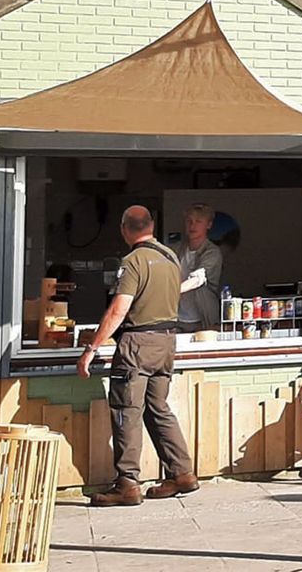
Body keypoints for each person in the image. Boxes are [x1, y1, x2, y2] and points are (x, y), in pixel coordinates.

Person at [78, 206, 199, 506]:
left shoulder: (133, 262)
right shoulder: (170, 258)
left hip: (138, 344)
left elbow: (119, 309)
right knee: (158, 407)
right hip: (167, 343)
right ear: (153, 225)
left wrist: (92, 347)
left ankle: (127, 484)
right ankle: (181, 472)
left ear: (124, 229)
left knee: (126, 411)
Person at [175, 203, 224, 332]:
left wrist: (170, 291)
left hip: (203, 320)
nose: (192, 225)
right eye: (189, 221)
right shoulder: (177, 249)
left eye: (198, 221)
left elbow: (198, 279)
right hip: (176, 319)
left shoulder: (212, 252)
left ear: (209, 225)